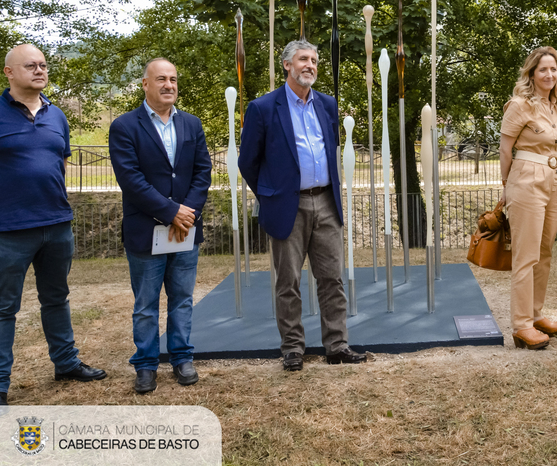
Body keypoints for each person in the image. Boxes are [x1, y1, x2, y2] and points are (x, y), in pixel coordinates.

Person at [0, 44, 107, 407]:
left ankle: (66, 364)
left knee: (56, 299)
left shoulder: (57, 116)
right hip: (6, 230)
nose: (39, 70)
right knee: (0, 309)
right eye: (30, 66)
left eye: (43, 65)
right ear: (9, 72)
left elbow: (61, 164)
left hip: (57, 225)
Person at [239, 40, 366, 369]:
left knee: (331, 279)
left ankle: (337, 345)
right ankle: (293, 349)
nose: (309, 65)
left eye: (314, 60)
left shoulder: (327, 104)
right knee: (288, 282)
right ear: (287, 65)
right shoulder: (264, 108)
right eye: (302, 59)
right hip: (287, 206)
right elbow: (248, 162)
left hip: (325, 201)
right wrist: (271, 193)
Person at [109, 58, 212, 394]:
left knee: (182, 299)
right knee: (146, 304)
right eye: (161, 79)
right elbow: (131, 180)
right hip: (146, 230)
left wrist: (189, 214)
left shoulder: (192, 125)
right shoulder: (125, 126)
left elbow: (202, 172)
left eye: (174, 79)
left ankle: (182, 357)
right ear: (145, 84)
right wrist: (171, 212)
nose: (169, 85)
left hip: (186, 229)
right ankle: (146, 365)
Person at [499, 46, 557, 350]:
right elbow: (505, 149)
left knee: (544, 252)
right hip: (526, 181)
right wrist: (505, 186)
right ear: (531, 73)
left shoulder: (556, 106)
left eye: (554, 69)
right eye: (543, 69)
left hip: (556, 180)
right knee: (525, 257)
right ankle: (521, 325)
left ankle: (536, 314)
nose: (549, 74)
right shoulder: (519, 105)